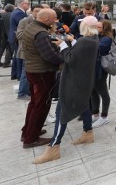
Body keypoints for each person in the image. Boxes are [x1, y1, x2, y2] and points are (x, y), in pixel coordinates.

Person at [33, 16, 100, 164]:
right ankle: (88, 133)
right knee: (83, 106)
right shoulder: (93, 39)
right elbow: (82, 53)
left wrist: (63, 45)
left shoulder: (84, 41)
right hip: (84, 81)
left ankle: (54, 147)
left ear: (85, 27)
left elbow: (70, 59)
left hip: (74, 82)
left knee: (61, 112)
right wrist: (72, 41)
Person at [21, 9, 64, 148]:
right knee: (41, 104)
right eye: (54, 18)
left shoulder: (31, 26)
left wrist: (52, 45)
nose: (56, 20)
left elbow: (38, 48)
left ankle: (28, 131)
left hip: (32, 69)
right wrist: (63, 56)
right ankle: (31, 138)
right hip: (42, 72)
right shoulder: (41, 33)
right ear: (46, 20)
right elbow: (49, 57)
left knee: (34, 103)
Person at [15, 4, 45, 99]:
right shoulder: (25, 21)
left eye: (40, 11)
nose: (38, 13)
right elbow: (19, 35)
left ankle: (31, 91)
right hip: (27, 51)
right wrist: (34, 31)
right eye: (36, 11)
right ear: (32, 11)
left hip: (39, 51)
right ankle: (22, 93)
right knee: (26, 72)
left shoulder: (43, 21)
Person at [91, 20, 113, 128]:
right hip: (94, 69)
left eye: (99, 27)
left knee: (103, 93)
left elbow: (96, 49)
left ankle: (104, 117)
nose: (96, 28)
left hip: (100, 70)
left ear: (104, 28)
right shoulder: (98, 36)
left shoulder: (106, 39)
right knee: (93, 92)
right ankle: (95, 114)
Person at [10, 0, 30, 77]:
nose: (29, 5)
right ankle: (18, 74)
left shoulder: (18, 12)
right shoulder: (19, 13)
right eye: (28, 3)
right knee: (19, 56)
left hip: (15, 37)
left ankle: (15, 74)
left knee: (16, 56)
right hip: (17, 37)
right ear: (22, 4)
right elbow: (22, 26)